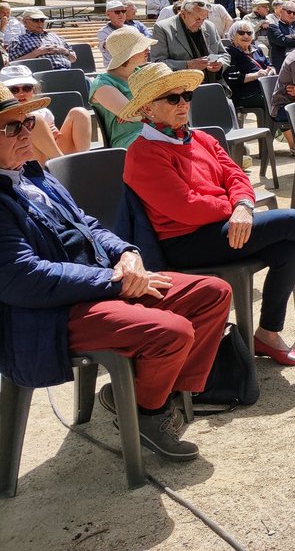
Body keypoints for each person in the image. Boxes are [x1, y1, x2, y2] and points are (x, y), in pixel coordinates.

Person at [0, 81, 230, 462]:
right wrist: (112, 280)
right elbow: (21, 278)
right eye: (12, 128)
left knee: (212, 293)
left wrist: (126, 253)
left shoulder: (33, 175)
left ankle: (151, 398)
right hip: (48, 315)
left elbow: (88, 223)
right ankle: (148, 412)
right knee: (171, 331)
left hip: (99, 285)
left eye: (27, 123)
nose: (27, 133)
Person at [123, 64, 295, 369]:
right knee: (293, 220)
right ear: (148, 108)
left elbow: (236, 175)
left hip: (222, 226)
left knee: (289, 247)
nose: (184, 103)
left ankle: (268, 334)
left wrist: (243, 205)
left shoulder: (199, 139)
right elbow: (184, 207)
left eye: (186, 95)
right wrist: (233, 206)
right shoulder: (142, 152)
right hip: (186, 240)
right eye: (172, 99)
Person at [1, 64, 92, 162]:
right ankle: (65, 166)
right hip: (24, 160)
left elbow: (55, 140)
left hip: (51, 155)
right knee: (34, 118)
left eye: (27, 88)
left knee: (80, 113)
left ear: (34, 90)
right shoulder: (3, 117)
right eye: (13, 90)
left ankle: (84, 163)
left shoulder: (44, 112)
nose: (21, 93)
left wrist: (52, 135)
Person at [91, 28, 157, 149]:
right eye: (142, 47)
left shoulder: (144, 74)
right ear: (130, 55)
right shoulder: (102, 84)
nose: (148, 50)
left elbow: (166, 101)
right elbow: (132, 115)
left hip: (158, 129)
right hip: (130, 139)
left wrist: (139, 110)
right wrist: (146, 109)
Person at [150, 0, 228, 86]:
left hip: (213, 85)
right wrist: (187, 65)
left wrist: (220, 63)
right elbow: (157, 63)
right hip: (181, 89)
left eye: (204, 19)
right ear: (183, 14)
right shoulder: (162, 28)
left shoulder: (209, 26)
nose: (201, 23)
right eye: (197, 19)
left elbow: (224, 55)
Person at [224, 19, 276, 130]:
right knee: (271, 101)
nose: (246, 36)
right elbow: (232, 78)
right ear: (233, 35)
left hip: (264, 88)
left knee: (282, 98)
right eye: (241, 33)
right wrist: (256, 75)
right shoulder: (229, 52)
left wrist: (270, 71)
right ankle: (266, 141)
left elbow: (270, 65)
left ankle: (273, 136)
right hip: (244, 93)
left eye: (249, 33)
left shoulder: (257, 50)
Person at [9, 9, 77, 70]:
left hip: (66, 70)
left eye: (42, 20)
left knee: (86, 80)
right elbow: (13, 64)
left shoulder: (56, 36)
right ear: (24, 22)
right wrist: (37, 52)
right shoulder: (18, 40)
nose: (39, 23)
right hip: (40, 74)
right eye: (35, 20)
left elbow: (73, 58)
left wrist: (64, 51)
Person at [266, 0, 295, 70]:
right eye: (289, 12)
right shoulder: (273, 27)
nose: (291, 15)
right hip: (283, 63)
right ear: (281, 11)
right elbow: (283, 41)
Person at [97, 0, 133, 66]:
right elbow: (113, 48)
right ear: (108, 14)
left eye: (123, 11)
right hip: (114, 70)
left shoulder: (132, 29)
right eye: (117, 12)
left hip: (132, 66)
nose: (121, 14)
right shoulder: (103, 32)